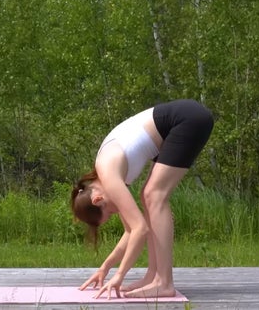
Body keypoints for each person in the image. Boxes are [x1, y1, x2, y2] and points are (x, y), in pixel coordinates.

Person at [70, 99, 213, 299]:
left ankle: (164, 283)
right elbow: (131, 231)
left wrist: (119, 275)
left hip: (187, 119)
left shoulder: (108, 173)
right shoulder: (105, 180)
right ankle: (153, 277)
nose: (115, 211)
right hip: (179, 122)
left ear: (97, 199)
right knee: (149, 198)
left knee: (154, 195)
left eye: (109, 211)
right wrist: (105, 268)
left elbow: (140, 229)